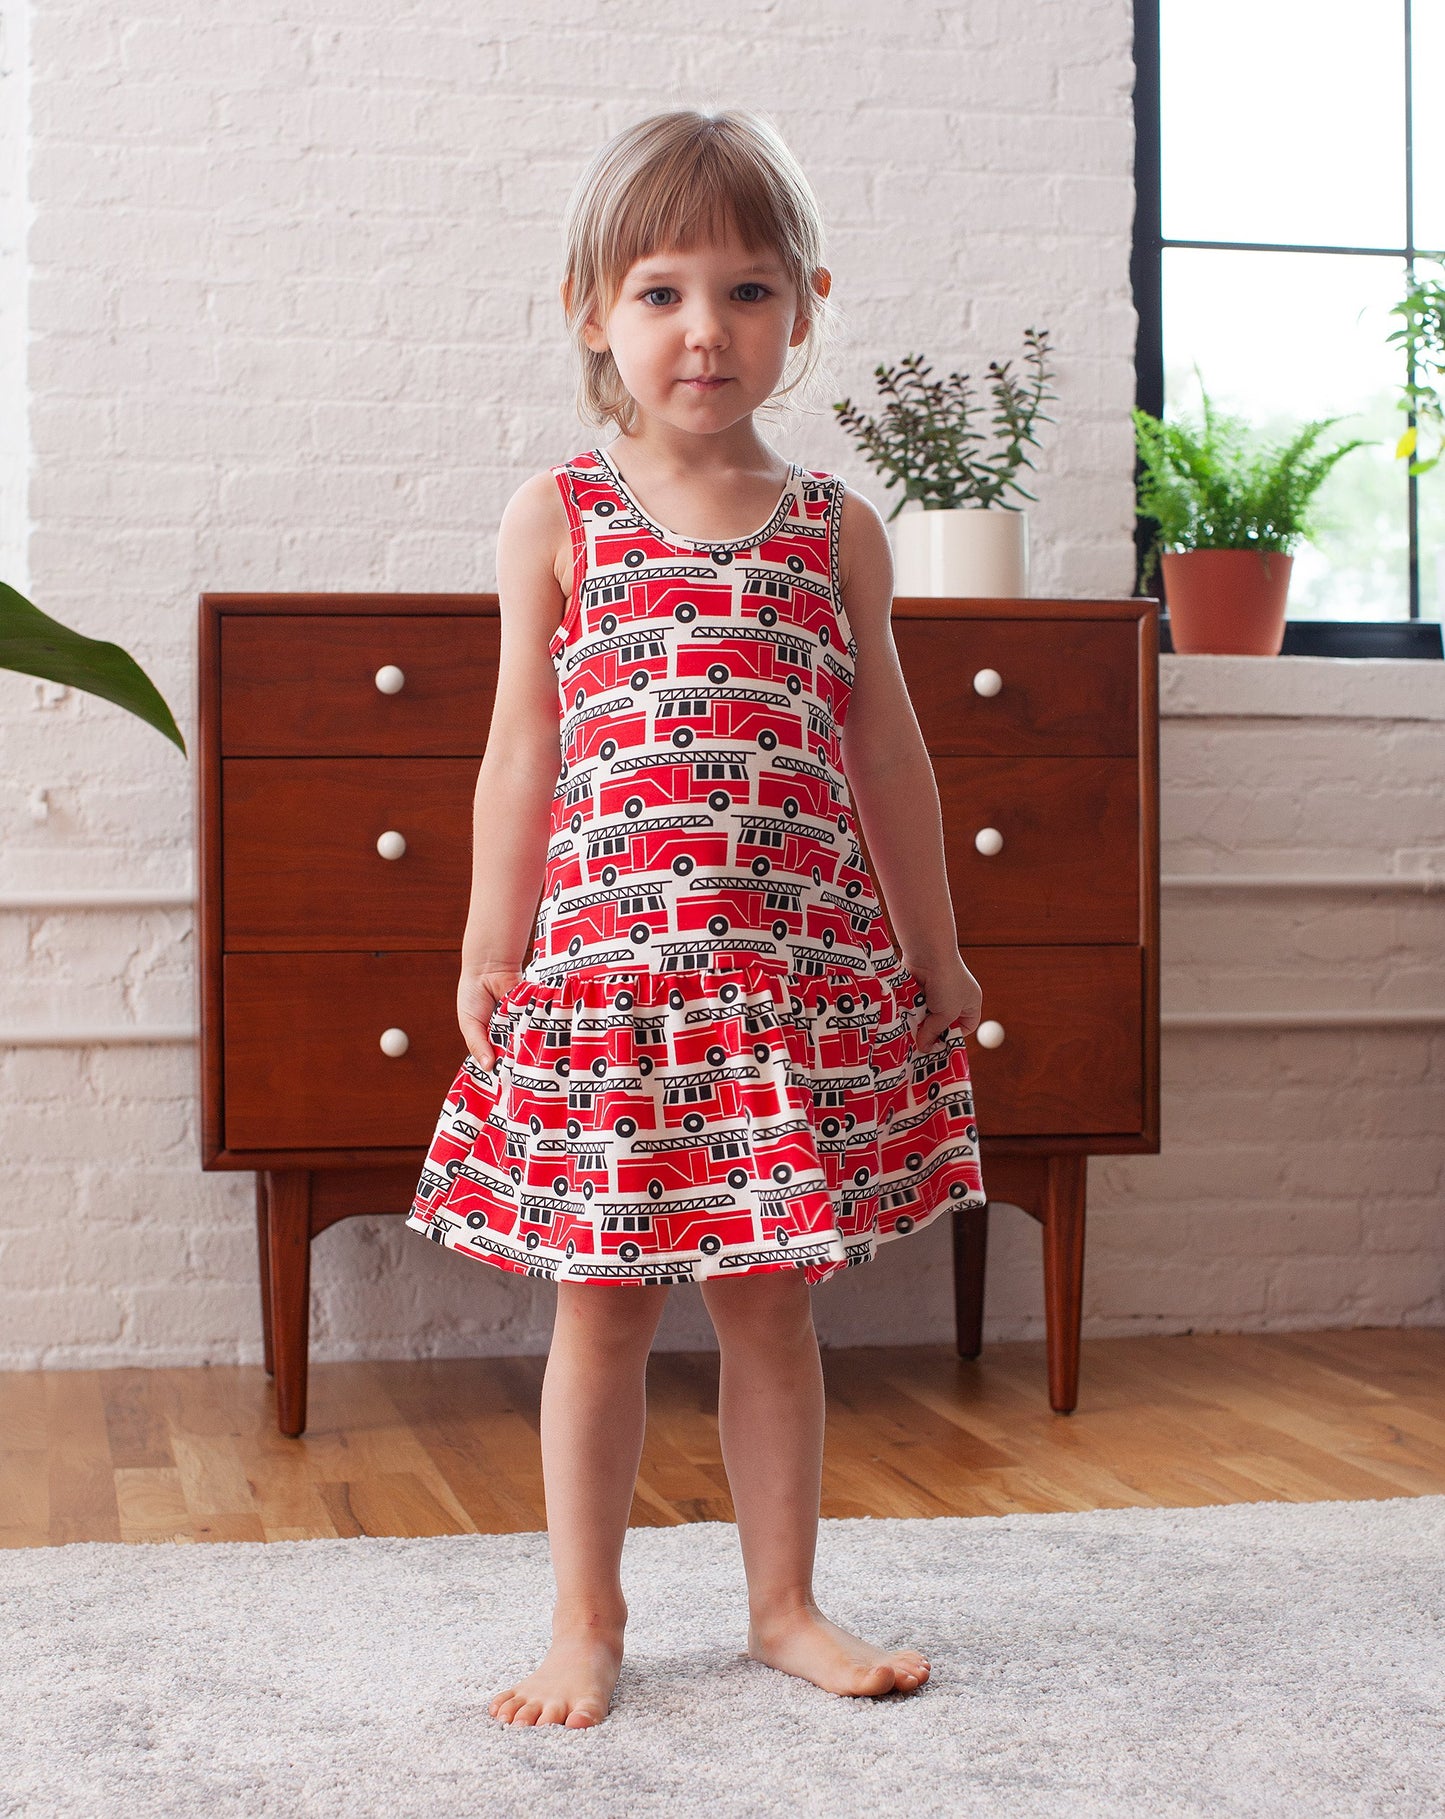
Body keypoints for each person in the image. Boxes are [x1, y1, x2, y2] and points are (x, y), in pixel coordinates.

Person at [404, 106, 987, 1729]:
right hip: (614, 988)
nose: (703, 331)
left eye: (744, 291)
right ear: (592, 310)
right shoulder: (560, 516)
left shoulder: (834, 530)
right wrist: (489, 944)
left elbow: (889, 754)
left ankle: (782, 1606)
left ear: (803, 306)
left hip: (781, 983)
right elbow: (521, 749)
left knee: (770, 1311)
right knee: (599, 1312)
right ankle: (583, 1620)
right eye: (660, 292)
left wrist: (935, 946)